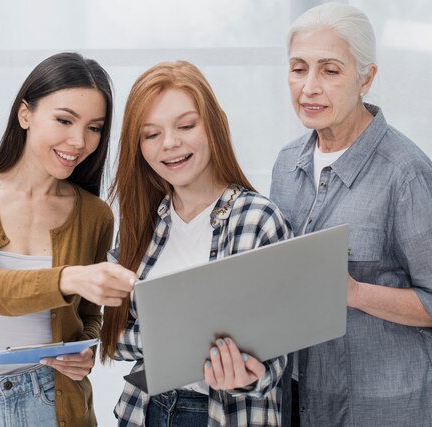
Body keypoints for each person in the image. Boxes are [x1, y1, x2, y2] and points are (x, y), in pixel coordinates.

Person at [270, 3, 432, 426]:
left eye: (330, 70)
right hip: (306, 402)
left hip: (392, 408)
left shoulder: (407, 175)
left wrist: (354, 292)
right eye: (298, 68)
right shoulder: (286, 164)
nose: (309, 87)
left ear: (366, 78)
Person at [0, 52, 136, 427]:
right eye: (64, 120)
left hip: (54, 400)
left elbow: (90, 316)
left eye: (94, 127)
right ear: (25, 114)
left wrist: (85, 350)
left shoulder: (95, 215)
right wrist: (69, 277)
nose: (79, 140)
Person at [99, 60, 291, 427]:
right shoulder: (144, 224)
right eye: (150, 134)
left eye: (185, 126)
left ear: (213, 125)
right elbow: (116, 338)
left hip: (221, 415)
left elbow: (276, 359)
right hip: (146, 410)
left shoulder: (257, 220)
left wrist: (243, 374)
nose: (170, 144)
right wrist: (196, 341)